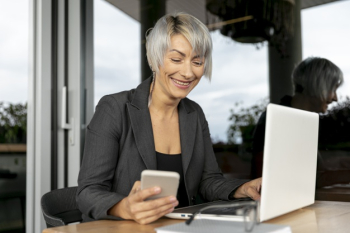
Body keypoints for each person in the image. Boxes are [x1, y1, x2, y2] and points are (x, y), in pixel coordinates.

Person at [77, 12, 262, 225]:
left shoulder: (194, 114)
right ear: (155, 58)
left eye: (197, 61)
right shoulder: (115, 109)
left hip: (180, 228)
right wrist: (124, 207)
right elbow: (88, 192)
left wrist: (242, 188)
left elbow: (208, 181)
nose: (187, 72)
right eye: (176, 59)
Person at [250, 57, 344, 185]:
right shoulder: (278, 120)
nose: (335, 98)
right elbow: (267, 181)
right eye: (332, 89)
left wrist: (339, 163)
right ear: (317, 85)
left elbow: (315, 172)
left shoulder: (303, 120)